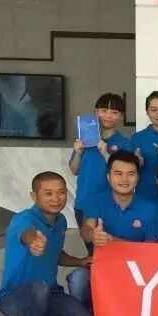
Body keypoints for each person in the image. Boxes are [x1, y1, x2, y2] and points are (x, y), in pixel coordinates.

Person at [0, 172, 95, 316]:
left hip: (51, 293)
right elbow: (27, 233)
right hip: (14, 297)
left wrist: (79, 261)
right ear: (34, 196)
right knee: (37, 288)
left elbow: (56, 254)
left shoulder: (61, 221)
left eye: (60, 192)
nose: (56, 198)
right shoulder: (23, 218)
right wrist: (33, 241)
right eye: (48, 193)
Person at [80, 151, 158, 270]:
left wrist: (114, 241)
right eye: (118, 173)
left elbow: (151, 249)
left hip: (136, 267)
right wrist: (93, 235)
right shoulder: (95, 201)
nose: (124, 179)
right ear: (108, 177)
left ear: (138, 178)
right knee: (78, 277)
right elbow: (86, 229)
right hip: (102, 265)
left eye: (130, 174)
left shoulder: (150, 209)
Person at [69, 93, 131, 230]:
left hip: (112, 205)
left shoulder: (125, 143)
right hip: (84, 203)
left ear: (121, 116)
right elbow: (74, 170)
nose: (108, 115)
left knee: (112, 243)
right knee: (90, 242)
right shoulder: (84, 139)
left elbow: (125, 174)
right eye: (104, 110)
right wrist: (78, 152)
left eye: (114, 112)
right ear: (96, 111)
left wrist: (106, 154)